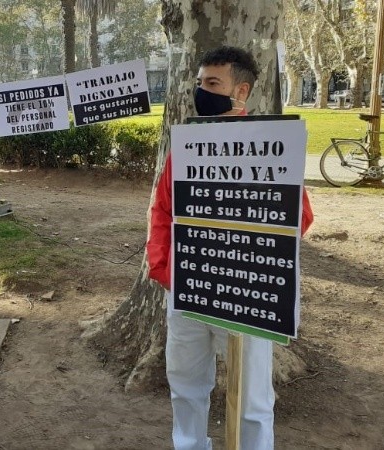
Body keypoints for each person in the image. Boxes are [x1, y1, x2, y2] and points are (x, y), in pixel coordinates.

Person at [147, 46, 314, 450]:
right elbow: (163, 209)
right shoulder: (187, 146)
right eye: (199, 83)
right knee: (185, 385)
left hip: (243, 297)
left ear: (241, 91)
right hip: (186, 290)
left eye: (212, 83)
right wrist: (166, 270)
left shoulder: (268, 146)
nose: (201, 91)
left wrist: (243, 262)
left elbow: (297, 217)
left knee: (252, 401)